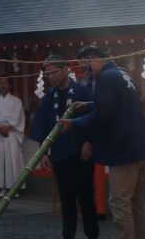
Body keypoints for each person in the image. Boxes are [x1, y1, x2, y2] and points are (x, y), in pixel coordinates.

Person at [61, 46, 145, 239]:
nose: (86, 70)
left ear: (95, 59)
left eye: (86, 64)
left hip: (123, 151)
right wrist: (88, 104)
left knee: (120, 203)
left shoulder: (105, 78)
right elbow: (114, 104)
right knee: (137, 202)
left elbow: (103, 114)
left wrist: (75, 122)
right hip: (141, 147)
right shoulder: (121, 74)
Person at [29, 55, 98, 239]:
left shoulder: (82, 91)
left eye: (54, 72)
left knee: (86, 198)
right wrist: (43, 152)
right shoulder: (49, 97)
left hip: (81, 152)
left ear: (66, 69)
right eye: (47, 73)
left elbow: (95, 116)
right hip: (60, 154)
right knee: (66, 200)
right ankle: (68, 236)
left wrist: (90, 141)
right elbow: (42, 126)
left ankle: (93, 235)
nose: (50, 76)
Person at [0, 77, 25, 197]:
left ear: (10, 85)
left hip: (11, 133)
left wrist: (8, 127)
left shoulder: (17, 101)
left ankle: (14, 188)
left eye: (5, 83)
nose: (3, 85)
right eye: (1, 83)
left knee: (12, 160)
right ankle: (2, 188)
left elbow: (17, 117)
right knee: (0, 161)